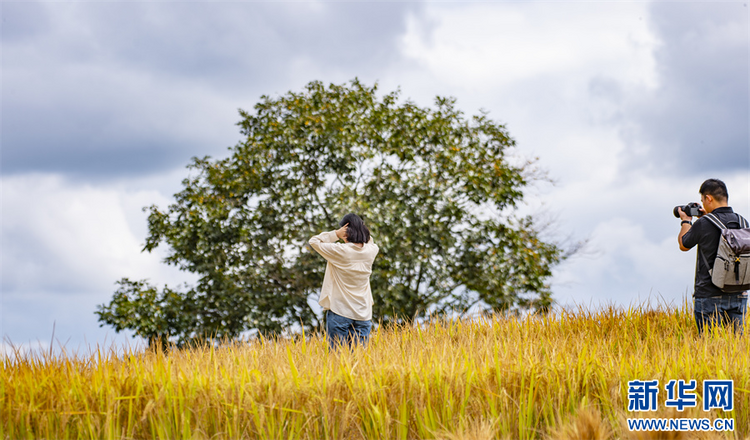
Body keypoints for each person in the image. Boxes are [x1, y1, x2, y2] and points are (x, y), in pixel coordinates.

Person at [678, 178, 748, 334]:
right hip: (739, 293)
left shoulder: (703, 224)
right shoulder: (743, 222)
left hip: (709, 294)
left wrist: (686, 221)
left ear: (708, 198)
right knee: (736, 346)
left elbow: (684, 244)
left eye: (702, 200)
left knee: (710, 347)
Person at [308, 213, 379, 349]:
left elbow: (314, 241)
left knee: (337, 360)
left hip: (339, 311)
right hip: (363, 313)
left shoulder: (340, 251)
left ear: (346, 231)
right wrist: (359, 229)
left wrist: (336, 233)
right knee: (359, 361)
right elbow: (370, 240)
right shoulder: (372, 250)